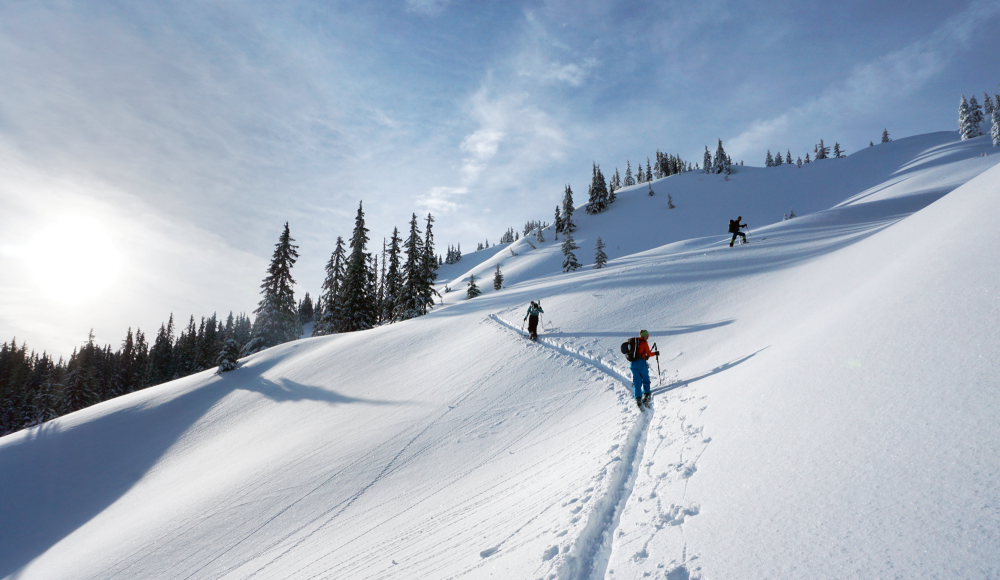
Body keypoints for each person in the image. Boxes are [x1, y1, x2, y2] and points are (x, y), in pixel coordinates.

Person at [630, 330, 659, 408]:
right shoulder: (644, 343)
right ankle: (646, 393)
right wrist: (655, 353)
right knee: (645, 378)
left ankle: (638, 397)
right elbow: (649, 353)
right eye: (647, 335)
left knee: (636, 380)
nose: (648, 337)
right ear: (643, 336)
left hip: (633, 364)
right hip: (641, 364)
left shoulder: (634, 344)